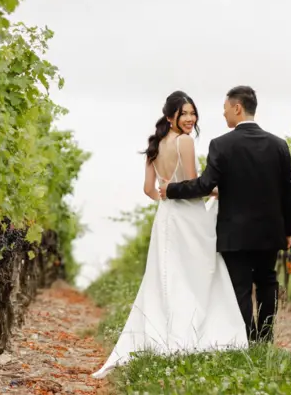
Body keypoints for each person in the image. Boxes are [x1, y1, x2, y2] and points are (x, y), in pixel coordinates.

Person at [91, 91, 247, 379]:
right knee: (199, 273)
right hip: (189, 216)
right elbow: (193, 185)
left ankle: (163, 334)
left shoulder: (154, 147)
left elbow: (149, 190)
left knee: (167, 275)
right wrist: (223, 190)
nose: (190, 119)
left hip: (166, 217)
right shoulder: (184, 142)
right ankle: (194, 335)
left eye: (192, 113)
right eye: (184, 113)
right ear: (169, 117)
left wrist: (166, 199)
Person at [159, 85, 291, 343]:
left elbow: (204, 185)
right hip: (270, 231)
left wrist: (171, 189)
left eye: (225, 109)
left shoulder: (221, 145)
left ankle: (247, 340)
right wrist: (288, 230)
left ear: (237, 108)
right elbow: (290, 192)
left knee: (240, 288)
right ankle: (264, 340)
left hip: (235, 232)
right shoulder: (279, 145)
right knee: (268, 282)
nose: (224, 115)